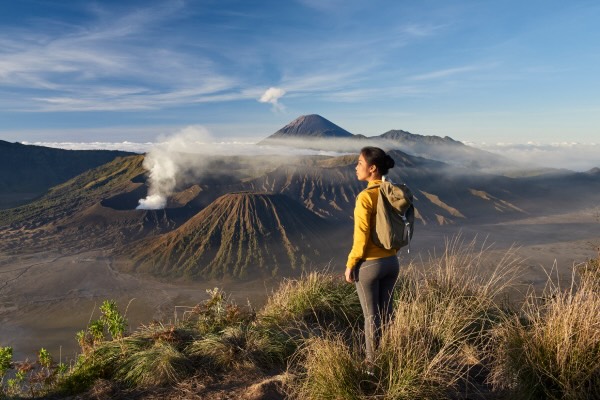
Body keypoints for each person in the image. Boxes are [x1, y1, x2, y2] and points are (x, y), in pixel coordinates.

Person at [345, 146, 400, 364]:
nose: (356, 167)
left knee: (371, 317)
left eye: (359, 163)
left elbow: (361, 237)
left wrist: (351, 263)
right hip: (392, 262)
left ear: (372, 168)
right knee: (387, 314)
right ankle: (392, 356)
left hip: (369, 265)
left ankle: (372, 365)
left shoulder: (365, 197)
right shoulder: (392, 192)